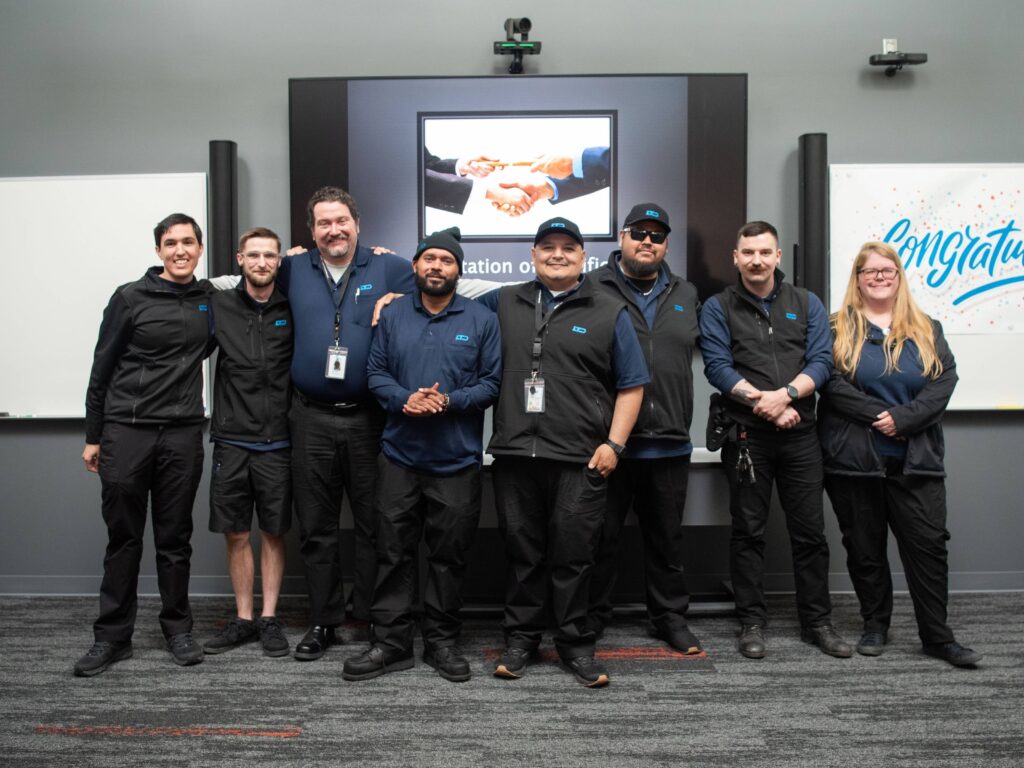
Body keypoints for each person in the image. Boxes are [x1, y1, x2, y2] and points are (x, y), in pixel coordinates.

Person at [477, 217, 648, 687]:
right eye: (547, 246)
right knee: (522, 554)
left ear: (582, 257)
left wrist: (614, 444)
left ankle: (575, 643)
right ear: (532, 256)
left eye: (567, 247)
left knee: (575, 557)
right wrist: (392, 292)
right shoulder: (503, 300)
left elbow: (632, 386)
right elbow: (445, 298)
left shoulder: (609, 309)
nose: (557, 254)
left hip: (580, 460)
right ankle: (521, 640)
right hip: (514, 455)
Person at [342, 227, 501, 683]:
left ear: (458, 269)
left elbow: (490, 384)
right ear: (415, 266)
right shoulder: (391, 314)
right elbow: (375, 374)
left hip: (457, 462)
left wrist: (448, 401)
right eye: (429, 258)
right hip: (399, 459)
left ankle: (441, 643)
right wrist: (404, 399)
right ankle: (391, 644)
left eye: (446, 260)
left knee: (448, 559)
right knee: (392, 554)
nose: (436, 266)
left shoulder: (480, 319)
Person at [818, 241, 981, 667]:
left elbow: (944, 380)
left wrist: (904, 420)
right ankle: (876, 625)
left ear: (899, 276)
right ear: (857, 279)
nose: (879, 277)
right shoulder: (835, 330)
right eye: (869, 271)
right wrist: (882, 415)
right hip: (854, 462)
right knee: (865, 548)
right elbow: (831, 384)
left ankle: (938, 637)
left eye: (887, 270)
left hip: (917, 461)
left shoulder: (928, 328)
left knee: (928, 547)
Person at [699, 220, 852, 660]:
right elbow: (717, 367)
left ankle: (817, 623)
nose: (756, 260)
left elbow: (822, 362)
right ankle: (751, 622)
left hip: (801, 437)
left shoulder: (806, 303)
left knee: (810, 535)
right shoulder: (717, 307)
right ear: (736, 257)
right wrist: (764, 404)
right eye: (748, 252)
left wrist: (785, 397)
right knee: (748, 532)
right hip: (747, 438)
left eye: (765, 252)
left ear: (778, 256)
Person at [281, 186, 417, 661]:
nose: (333, 230)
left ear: (358, 224)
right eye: (323, 223)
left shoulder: (391, 266)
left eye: (341, 221)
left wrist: (402, 295)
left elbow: (448, 291)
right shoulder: (291, 268)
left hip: (369, 419)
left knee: (373, 526)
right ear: (311, 230)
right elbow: (239, 285)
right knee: (316, 527)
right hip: (310, 418)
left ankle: (374, 616)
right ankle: (323, 620)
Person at [75, 213, 210, 676]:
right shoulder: (129, 298)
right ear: (158, 251)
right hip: (126, 432)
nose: (180, 251)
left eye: (188, 242)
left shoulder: (210, 300)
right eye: (170, 243)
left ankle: (178, 630)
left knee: (175, 540)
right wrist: (94, 436)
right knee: (124, 539)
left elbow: (258, 290)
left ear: (200, 248)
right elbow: (101, 369)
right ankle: (112, 638)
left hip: (183, 434)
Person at [587, 203, 703, 655]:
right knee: (600, 540)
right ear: (622, 237)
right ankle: (592, 618)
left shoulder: (686, 292)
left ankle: (669, 619)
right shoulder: (591, 286)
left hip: (669, 443)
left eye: (657, 235)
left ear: (666, 244)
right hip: (608, 444)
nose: (647, 242)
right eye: (639, 233)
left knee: (667, 541)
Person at [201, 227, 292, 659]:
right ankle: (243, 619)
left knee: (273, 532)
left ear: (279, 261)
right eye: (253, 255)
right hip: (232, 440)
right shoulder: (218, 303)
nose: (261, 262)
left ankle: (269, 618)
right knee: (237, 532)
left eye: (269, 256)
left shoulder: (292, 304)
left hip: (278, 441)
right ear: (239, 259)